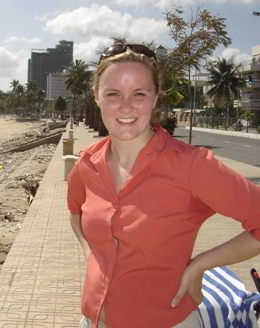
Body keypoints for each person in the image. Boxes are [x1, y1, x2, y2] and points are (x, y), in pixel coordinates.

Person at [66, 44, 260, 328]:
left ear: (156, 97)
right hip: (92, 321)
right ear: (96, 96)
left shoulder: (191, 165)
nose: (126, 106)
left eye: (139, 94)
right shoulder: (87, 164)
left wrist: (200, 264)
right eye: (113, 94)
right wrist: (89, 251)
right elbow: (75, 211)